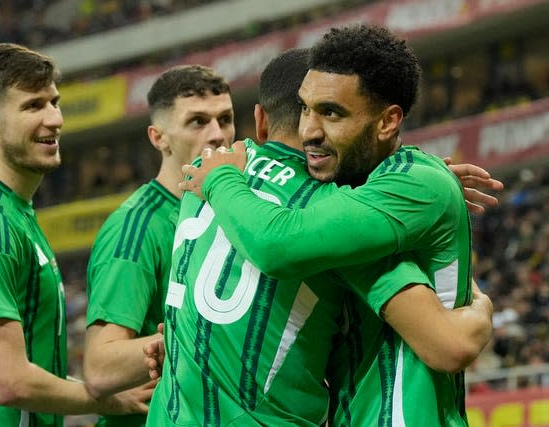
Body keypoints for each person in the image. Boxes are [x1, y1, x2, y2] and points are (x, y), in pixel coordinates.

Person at [147, 45, 496, 425]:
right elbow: (449, 342)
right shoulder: (327, 212)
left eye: (329, 112)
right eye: (311, 110)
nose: (313, 128)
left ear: (260, 120)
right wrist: (481, 308)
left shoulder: (205, 172)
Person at [0, 43, 147, 427]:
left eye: (53, 102)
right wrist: (104, 400)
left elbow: (28, 370)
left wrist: (102, 392)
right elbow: (9, 382)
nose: (55, 118)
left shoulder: (10, 210)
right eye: (32, 106)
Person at [83, 64, 235, 426]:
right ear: (159, 137)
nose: (218, 135)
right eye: (198, 122)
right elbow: (100, 367)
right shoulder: (136, 226)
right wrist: (204, 336)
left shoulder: (229, 209)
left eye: (225, 119)